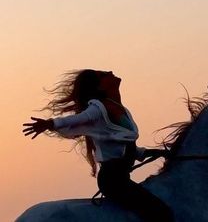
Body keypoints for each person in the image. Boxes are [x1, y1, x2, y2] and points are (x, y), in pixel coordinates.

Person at [23, 69, 173, 222]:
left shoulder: (120, 108)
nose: (110, 71)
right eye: (103, 75)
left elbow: (122, 146)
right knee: (161, 213)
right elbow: (80, 119)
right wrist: (51, 123)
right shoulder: (98, 108)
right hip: (112, 180)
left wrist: (151, 152)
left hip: (120, 177)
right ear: (99, 87)